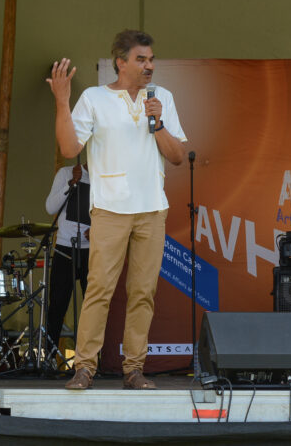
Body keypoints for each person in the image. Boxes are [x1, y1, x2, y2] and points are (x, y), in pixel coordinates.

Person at [46, 29, 187, 390]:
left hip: (152, 210)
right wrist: (62, 101)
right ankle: (85, 367)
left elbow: (177, 156)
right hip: (109, 209)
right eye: (141, 59)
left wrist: (158, 123)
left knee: (143, 293)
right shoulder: (94, 98)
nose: (149, 66)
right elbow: (69, 149)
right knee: (99, 290)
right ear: (121, 62)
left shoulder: (162, 98)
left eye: (151, 59)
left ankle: (133, 369)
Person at [44, 163, 90, 356]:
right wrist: (71, 183)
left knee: (94, 306)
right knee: (57, 305)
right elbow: (50, 207)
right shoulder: (66, 173)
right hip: (65, 247)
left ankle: (94, 359)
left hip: (92, 250)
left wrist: (98, 228)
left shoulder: (106, 178)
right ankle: (50, 357)